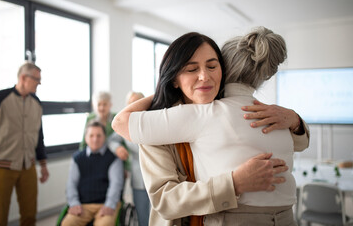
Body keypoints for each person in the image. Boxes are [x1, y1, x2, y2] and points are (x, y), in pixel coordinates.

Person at [113, 27, 309, 225]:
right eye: (191, 69)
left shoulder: (236, 110)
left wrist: (294, 120)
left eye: (212, 66)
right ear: (174, 78)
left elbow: (297, 143)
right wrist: (234, 184)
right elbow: (165, 200)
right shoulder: (154, 128)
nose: (204, 76)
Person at [0, 61, 49, 226]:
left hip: (28, 166)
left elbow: (39, 136)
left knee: (30, 213)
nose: (39, 83)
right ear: (23, 77)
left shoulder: (37, 104)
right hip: (1, 167)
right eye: (36, 79)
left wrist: (43, 165)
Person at [62, 120, 124, 226]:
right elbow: (71, 183)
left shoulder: (113, 159)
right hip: (83, 205)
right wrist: (74, 203)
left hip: (105, 204)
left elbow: (116, 185)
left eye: (99, 135)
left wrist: (109, 205)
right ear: (86, 138)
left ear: (104, 137)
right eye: (91, 135)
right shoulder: (77, 158)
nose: (95, 139)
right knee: (67, 223)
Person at [109, 91, 150, 226]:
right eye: (130, 104)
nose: (134, 107)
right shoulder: (123, 125)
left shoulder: (152, 120)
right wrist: (117, 148)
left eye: (137, 103)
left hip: (157, 176)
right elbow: (111, 141)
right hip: (138, 180)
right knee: (142, 215)